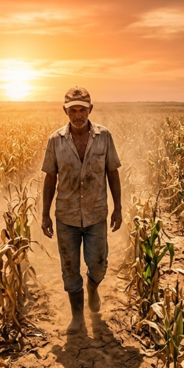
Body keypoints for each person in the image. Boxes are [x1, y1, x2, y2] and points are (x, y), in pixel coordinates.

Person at [40, 86, 122, 334]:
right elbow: (50, 178)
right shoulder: (55, 140)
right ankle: (77, 317)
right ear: (65, 111)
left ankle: (93, 288)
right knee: (69, 268)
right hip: (66, 216)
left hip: (96, 213)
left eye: (82, 110)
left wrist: (118, 208)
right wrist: (45, 214)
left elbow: (112, 173)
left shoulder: (104, 136)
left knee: (98, 264)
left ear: (90, 109)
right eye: (73, 110)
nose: (78, 115)